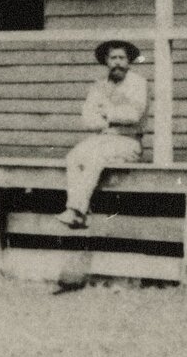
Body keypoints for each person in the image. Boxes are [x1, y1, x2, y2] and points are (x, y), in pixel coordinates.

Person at [58, 40, 151, 229]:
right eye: (113, 58)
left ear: (129, 61)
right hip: (103, 138)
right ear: (106, 61)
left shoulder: (137, 83)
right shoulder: (99, 86)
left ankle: (76, 211)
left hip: (129, 142)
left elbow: (133, 115)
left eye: (122, 58)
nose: (117, 62)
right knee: (74, 156)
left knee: (94, 156)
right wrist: (109, 116)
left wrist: (106, 113)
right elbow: (87, 118)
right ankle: (77, 213)